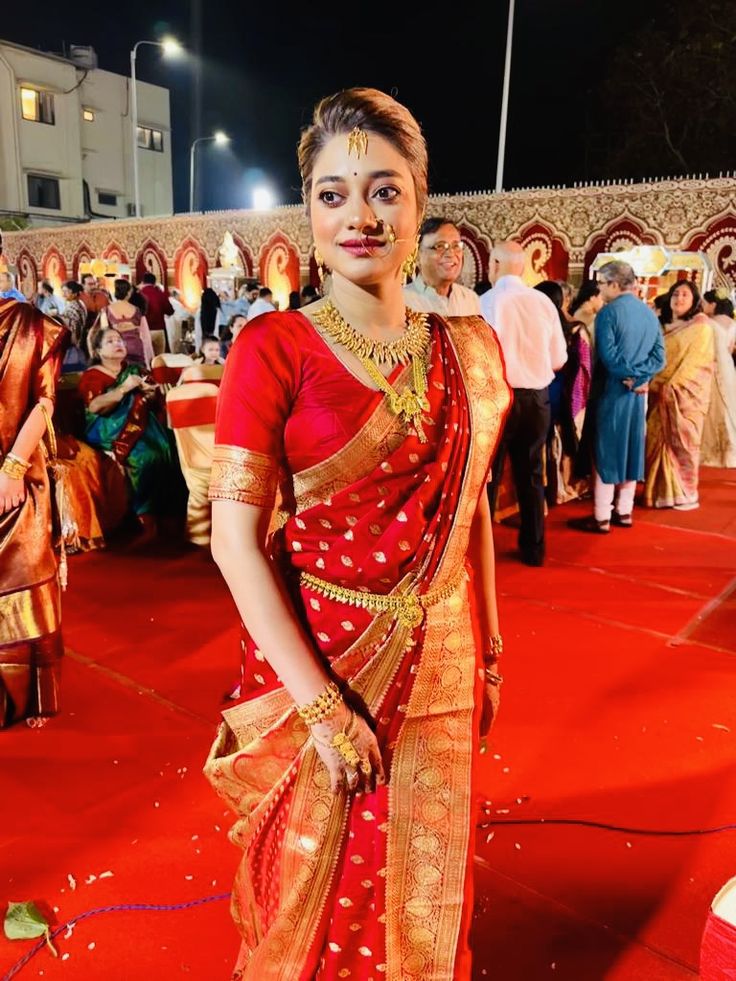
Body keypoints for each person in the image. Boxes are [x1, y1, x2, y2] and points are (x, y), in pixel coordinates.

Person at [205, 87, 511, 980]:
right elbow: (235, 540)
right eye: (333, 194)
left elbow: (473, 503)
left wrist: (488, 649)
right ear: (308, 214)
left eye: (384, 190)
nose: (360, 215)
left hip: (445, 652)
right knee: (318, 882)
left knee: (425, 876)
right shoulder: (273, 347)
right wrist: (323, 706)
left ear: (419, 203)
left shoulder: (467, 345)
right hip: (324, 657)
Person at [0, 296, 68, 727]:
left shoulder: (27, 324)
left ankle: (24, 697)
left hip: (16, 472)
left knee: (23, 577)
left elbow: (43, 403)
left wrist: (12, 468)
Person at [482, 241, 567, 565]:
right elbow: (559, 359)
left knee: (488, 476)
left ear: (498, 264)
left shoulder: (488, 301)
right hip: (536, 398)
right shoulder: (543, 303)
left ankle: (483, 549)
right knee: (532, 475)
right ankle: (534, 549)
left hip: (499, 397)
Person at [571, 260, 665, 532]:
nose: (599, 289)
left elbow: (610, 358)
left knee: (606, 451)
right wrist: (642, 378)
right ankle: (624, 511)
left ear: (614, 284)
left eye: (601, 283)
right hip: (636, 396)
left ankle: (601, 516)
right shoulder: (648, 313)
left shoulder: (608, 313)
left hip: (612, 391)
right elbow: (660, 357)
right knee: (631, 449)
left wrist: (631, 376)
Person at [79, 327, 174, 541]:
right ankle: (144, 516)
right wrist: (123, 389)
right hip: (108, 429)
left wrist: (149, 394)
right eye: (111, 341)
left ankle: (167, 514)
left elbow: (150, 401)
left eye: (120, 339)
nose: (118, 343)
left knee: (169, 448)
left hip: (141, 426)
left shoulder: (134, 370)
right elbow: (95, 407)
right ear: (98, 350)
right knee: (145, 457)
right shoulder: (93, 376)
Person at [644, 281, 714, 509]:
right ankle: (657, 492)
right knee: (655, 442)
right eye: (676, 293)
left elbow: (697, 365)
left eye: (685, 295)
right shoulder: (660, 325)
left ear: (694, 300)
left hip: (685, 398)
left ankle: (685, 492)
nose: (679, 298)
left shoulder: (701, 328)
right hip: (655, 393)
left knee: (684, 443)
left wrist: (669, 387)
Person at [404, 216, 481, 316]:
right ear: (417, 256)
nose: (450, 253)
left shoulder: (470, 299)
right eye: (440, 246)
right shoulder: (402, 302)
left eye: (456, 246)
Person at [93, 279, 154, 368]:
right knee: (137, 375)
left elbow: (105, 332)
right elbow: (144, 335)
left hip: (117, 348)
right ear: (129, 293)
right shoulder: (137, 310)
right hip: (135, 348)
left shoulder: (107, 310)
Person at [138, 273, 174, 348]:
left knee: (146, 356)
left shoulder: (139, 294)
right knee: (159, 357)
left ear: (143, 282)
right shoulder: (160, 294)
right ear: (154, 282)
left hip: (144, 330)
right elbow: (170, 311)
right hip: (159, 329)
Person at [59, 281, 88, 371]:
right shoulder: (80, 303)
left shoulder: (73, 307)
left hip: (74, 342)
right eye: (62, 291)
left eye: (66, 291)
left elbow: (73, 327)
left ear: (74, 293)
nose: (63, 294)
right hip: (80, 341)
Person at [194, 287, 222, 351]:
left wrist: (197, 348)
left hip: (203, 341)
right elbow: (217, 329)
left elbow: (198, 331)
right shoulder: (217, 311)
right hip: (215, 340)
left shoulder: (200, 312)